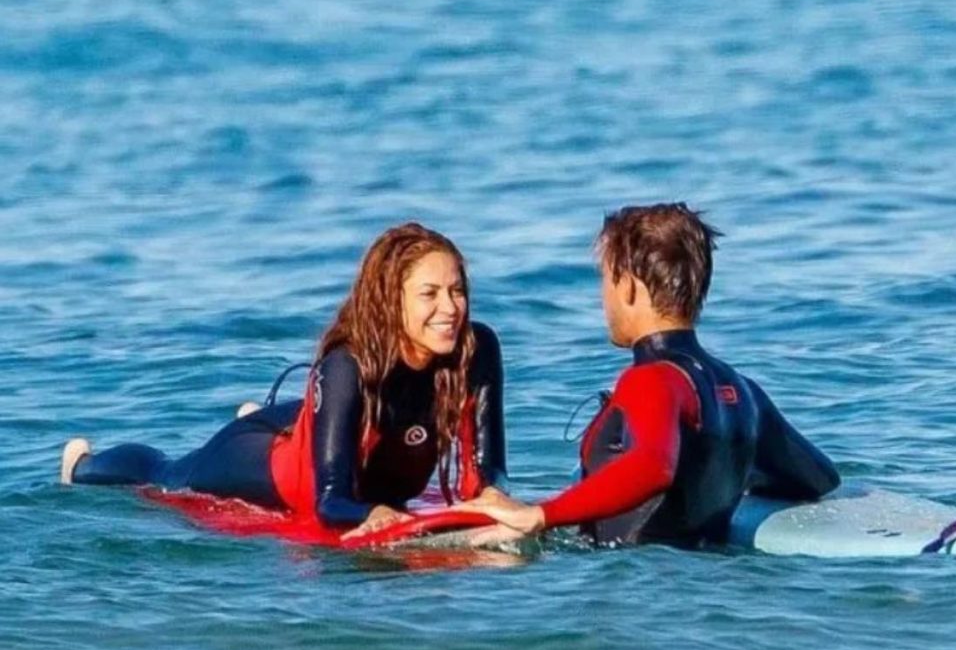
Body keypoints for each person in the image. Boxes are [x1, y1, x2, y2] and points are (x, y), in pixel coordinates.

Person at [61, 222, 508, 537]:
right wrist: (369, 513)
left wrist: (495, 499)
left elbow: (490, 473)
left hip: (342, 425)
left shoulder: (477, 349)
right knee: (172, 473)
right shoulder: (347, 364)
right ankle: (82, 466)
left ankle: (279, 417)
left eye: (457, 290)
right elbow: (329, 501)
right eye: (429, 294)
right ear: (392, 302)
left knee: (333, 418)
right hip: (282, 471)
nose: (450, 308)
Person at [457, 203, 840, 548]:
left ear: (627, 287)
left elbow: (652, 466)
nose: (602, 297)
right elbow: (818, 478)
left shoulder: (651, 380)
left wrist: (540, 515)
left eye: (604, 280)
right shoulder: (743, 393)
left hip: (636, 593)